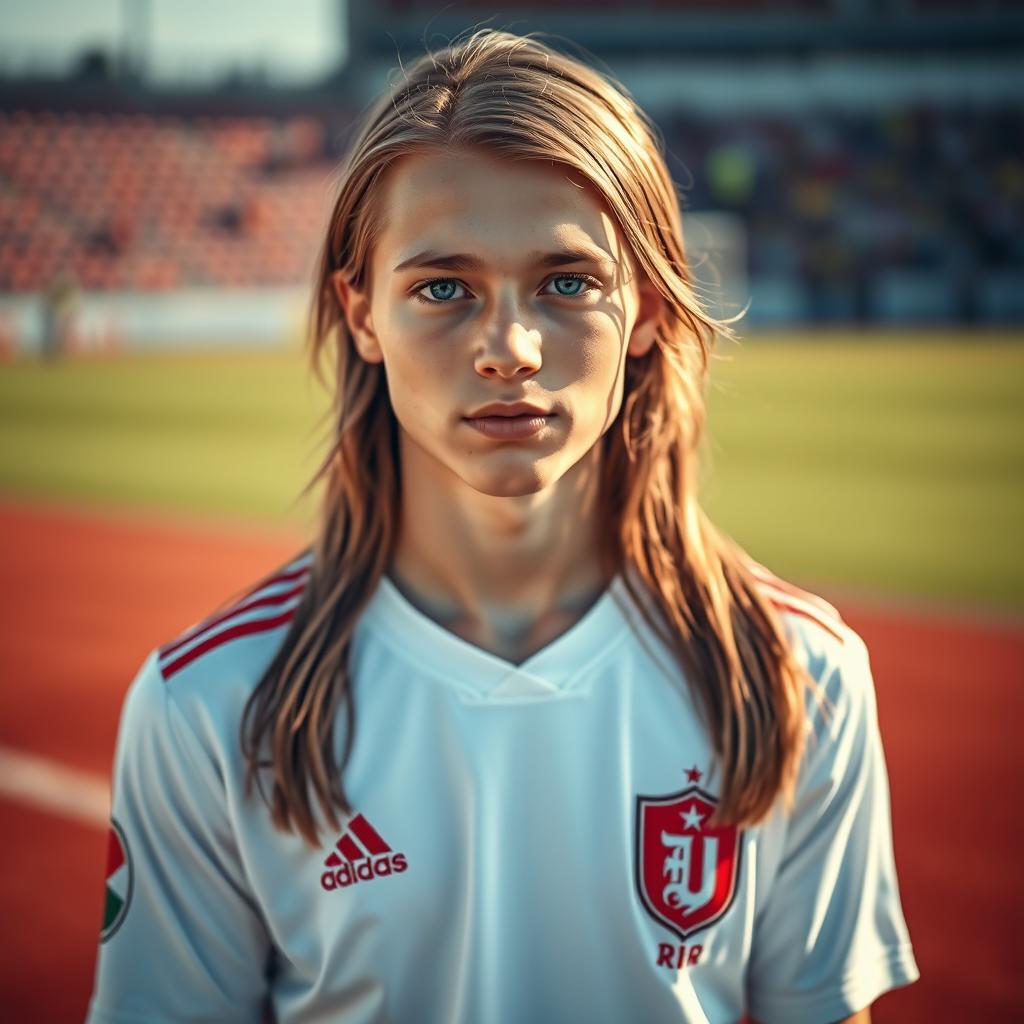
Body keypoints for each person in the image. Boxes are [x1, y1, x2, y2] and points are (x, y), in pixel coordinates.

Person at [87, 28, 919, 1024]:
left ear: (648, 308)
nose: (510, 349)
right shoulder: (209, 707)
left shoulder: (796, 672)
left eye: (567, 283)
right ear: (360, 314)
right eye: (443, 288)